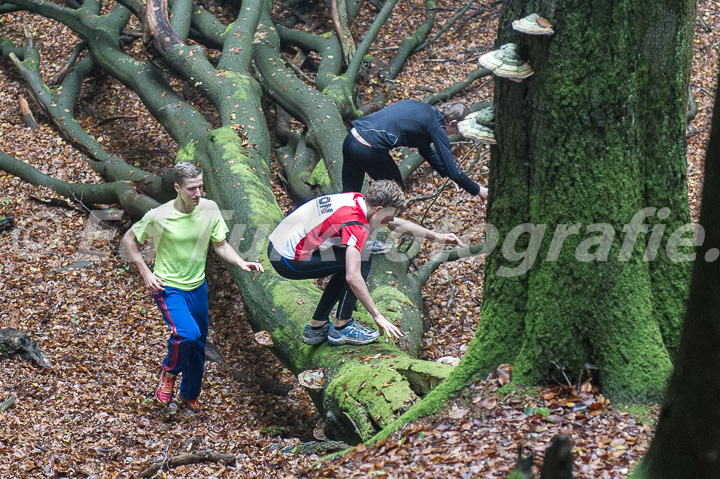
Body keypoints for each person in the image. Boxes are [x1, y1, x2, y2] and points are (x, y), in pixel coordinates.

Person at [123, 161, 264, 410]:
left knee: (199, 343)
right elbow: (130, 238)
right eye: (191, 189)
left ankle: (188, 395)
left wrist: (241, 261)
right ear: (177, 188)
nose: (197, 193)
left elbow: (220, 245)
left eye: (200, 187)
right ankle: (169, 373)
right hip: (169, 287)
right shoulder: (160, 215)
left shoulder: (209, 209)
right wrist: (145, 272)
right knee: (187, 334)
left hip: (197, 286)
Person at [267, 180, 465, 346]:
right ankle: (342, 327)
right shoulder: (355, 223)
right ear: (379, 209)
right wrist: (377, 315)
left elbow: (395, 223)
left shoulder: (357, 199)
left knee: (357, 258)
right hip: (287, 259)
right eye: (388, 214)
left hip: (280, 245)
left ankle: (317, 327)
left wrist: (437, 237)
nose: (389, 221)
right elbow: (353, 276)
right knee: (361, 260)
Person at [342, 100, 489, 198]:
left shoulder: (428, 113)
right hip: (368, 149)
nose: (457, 133)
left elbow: (425, 151)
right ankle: (377, 233)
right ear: (453, 122)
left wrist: (449, 175)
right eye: (459, 129)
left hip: (352, 139)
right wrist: (477, 190)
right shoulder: (436, 128)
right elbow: (453, 169)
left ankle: (341, 240)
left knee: (349, 197)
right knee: (395, 193)